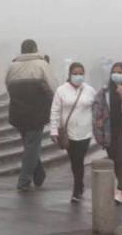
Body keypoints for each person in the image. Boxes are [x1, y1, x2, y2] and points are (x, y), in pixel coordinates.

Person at [5, 39, 57, 192]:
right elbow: (53, 86)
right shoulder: (42, 65)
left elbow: (7, 84)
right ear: (35, 49)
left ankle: (39, 174)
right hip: (37, 111)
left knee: (30, 145)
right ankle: (24, 181)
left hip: (17, 111)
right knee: (32, 145)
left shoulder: (12, 65)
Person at [93, 62, 122, 204]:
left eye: (120, 72)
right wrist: (99, 121)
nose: (117, 74)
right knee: (115, 161)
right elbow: (98, 109)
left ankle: (120, 190)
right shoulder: (104, 91)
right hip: (109, 132)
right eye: (114, 72)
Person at [49, 62, 96, 203]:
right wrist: (53, 130)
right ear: (69, 74)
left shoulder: (90, 90)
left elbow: (98, 108)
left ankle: (77, 189)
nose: (78, 76)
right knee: (74, 161)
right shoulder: (61, 90)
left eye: (81, 73)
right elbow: (55, 111)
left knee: (79, 160)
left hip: (85, 133)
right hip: (68, 134)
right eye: (75, 73)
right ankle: (79, 184)